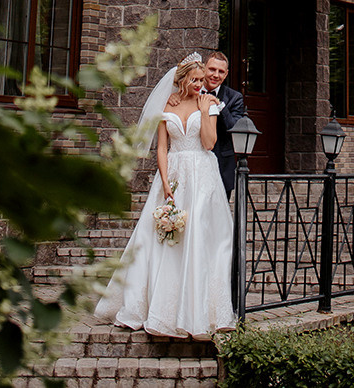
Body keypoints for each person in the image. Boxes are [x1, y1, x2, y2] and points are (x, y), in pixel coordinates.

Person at [94, 52, 236, 337]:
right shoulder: (167, 106)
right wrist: (166, 183)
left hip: (203, 175)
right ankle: (148, 308)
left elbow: (209, 144)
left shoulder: (207, 102)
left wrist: (208, 109)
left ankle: (199, 313)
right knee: (158, 239)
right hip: (173, 174)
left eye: (202, 80)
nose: (201, 84)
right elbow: (161, 148)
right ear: (181, 80)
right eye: (195, 80)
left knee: (198, 236)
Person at [201, 50, 246, 198]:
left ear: (226, 74)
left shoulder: (235, 98)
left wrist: (220, 105)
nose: (216, 75)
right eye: (212, 69)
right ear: (203, 69)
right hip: (194, 164)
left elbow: (234, 129)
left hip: (222, 166)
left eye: (221, 71)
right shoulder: (191, 93)